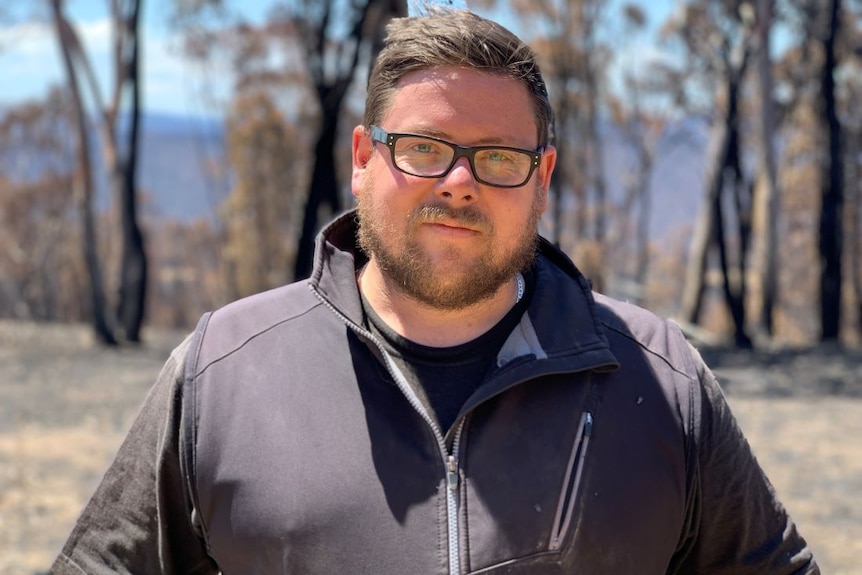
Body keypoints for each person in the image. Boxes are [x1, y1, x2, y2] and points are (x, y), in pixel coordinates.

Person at [52, 8, 819, 575]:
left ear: (542, 178)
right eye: (423, 149)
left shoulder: (660, 379)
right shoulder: (223, 372)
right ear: (362, 158)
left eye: (497, 156)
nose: (459, 183)